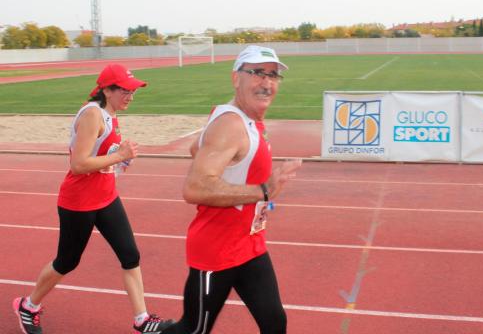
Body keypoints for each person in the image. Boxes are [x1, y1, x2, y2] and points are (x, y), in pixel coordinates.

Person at [12, 64, 173, 334]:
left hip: (106, 196)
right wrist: (119, 156)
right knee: (67, 262)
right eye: (125, 90)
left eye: (133, 91)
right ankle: (28, 306)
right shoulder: (92, 115)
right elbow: (79, 164)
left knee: (130, 255)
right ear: (107, 90)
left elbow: (100, 158)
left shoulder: (110, 114)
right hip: (79, 201)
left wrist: (119, 162)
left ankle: (142, 320)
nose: (130, 96)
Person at [162, 46, 303, 334]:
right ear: (235, 78)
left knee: (275, 323)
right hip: (216, 250)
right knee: (193, 329)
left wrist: (215, 156)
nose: (267, 83)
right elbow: (195, 188)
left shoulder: (244, 119)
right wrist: (263, 190)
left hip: (248, 245)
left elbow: (195, 147)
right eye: (257, 73)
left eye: (273, 75)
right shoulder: (231, 124)